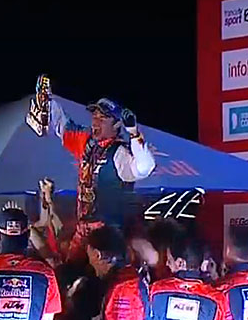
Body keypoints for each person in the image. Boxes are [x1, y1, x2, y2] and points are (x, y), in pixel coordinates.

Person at [31, 87, 155, 239]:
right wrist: (48, 103)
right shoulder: (86, 142)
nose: (95, 122)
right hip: (84, 230)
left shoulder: (120, 153)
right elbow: (62, 126)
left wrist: (133, 132)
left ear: (116, 124)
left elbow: (145, 167)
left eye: (102, 119)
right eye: (94, 116)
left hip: (109, 234)